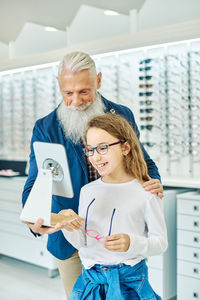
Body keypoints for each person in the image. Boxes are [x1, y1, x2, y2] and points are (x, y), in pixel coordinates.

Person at [22, 51, 164, 298]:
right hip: (71, 240)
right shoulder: (45, 128)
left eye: (84, 91)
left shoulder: (122, 115)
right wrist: (36, 217)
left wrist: (153, 183)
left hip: (121, 239)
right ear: (59, 85)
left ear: (98, 80)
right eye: (68, 93)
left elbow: (143, 162)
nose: (76, 101)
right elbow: (36, 182)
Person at [60, 113, 168, 299]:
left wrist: (131, 243)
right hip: (90, 283)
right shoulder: (88, 191)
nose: (95, 157)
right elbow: (82, 242)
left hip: (129, 284)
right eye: (90, 150)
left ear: (125, 147)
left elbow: (160, 244)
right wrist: (68, 226)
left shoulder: (147, 192)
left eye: (103, 148)